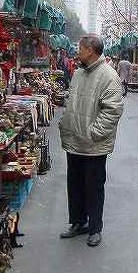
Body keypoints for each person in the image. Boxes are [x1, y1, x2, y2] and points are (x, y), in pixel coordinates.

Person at [58, 35, 124, 247]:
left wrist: (93, 133)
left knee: (94, 187)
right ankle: (78, 222)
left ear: (91, 50)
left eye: (80, 48)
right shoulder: (78, 73)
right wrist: (66, 123)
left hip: (93, 145)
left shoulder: (108, 76)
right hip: (74, 140)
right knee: (74, 184)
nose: (77, 51)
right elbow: (72, 101)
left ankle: (94, 228)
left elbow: (113, 110)